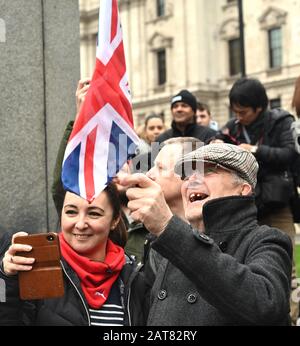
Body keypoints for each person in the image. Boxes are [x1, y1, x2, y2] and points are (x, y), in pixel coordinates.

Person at [119, 143, 292, 325]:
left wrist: (168, 228)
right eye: (186, 175)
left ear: (243, 189)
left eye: (207, 171)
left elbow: (264, 305)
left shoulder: (267, 240)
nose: (192, 180)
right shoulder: (170, 248)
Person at [212, 77, 298, 323]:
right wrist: (217, 145)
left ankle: (289, 318)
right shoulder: (231, 128)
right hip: (244, 206)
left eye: (243, 112)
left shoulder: (280, 121)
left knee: (286, 264)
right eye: (235, 111)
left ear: (259, 107)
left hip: (277, 204)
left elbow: (289, 153)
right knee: (242, 261)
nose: (239, 116)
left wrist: (255, 151)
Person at [0, 183, 147, 326]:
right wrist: (6, 278)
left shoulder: (134, 278)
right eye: (71, 212)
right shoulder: (35, 266)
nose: (80, 224)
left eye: (94, 213)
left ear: (114, 220)